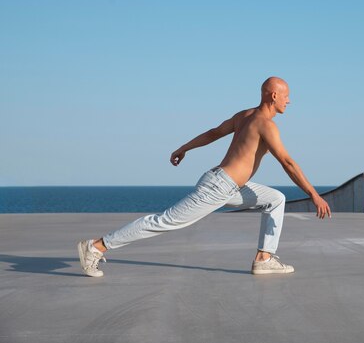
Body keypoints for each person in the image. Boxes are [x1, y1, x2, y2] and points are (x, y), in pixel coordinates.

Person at [77, 77, 331, 277]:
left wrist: (183, 148)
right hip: (218, 187)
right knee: (164, 221)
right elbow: (287, 162)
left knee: (275, 198)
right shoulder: (266, 124)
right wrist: (314, 195)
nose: (289, 100)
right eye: (286, 96)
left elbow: (212, 133)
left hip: (227, 184)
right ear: (274, 95)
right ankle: (97, 246)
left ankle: (264, 259)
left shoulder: (244, 116)